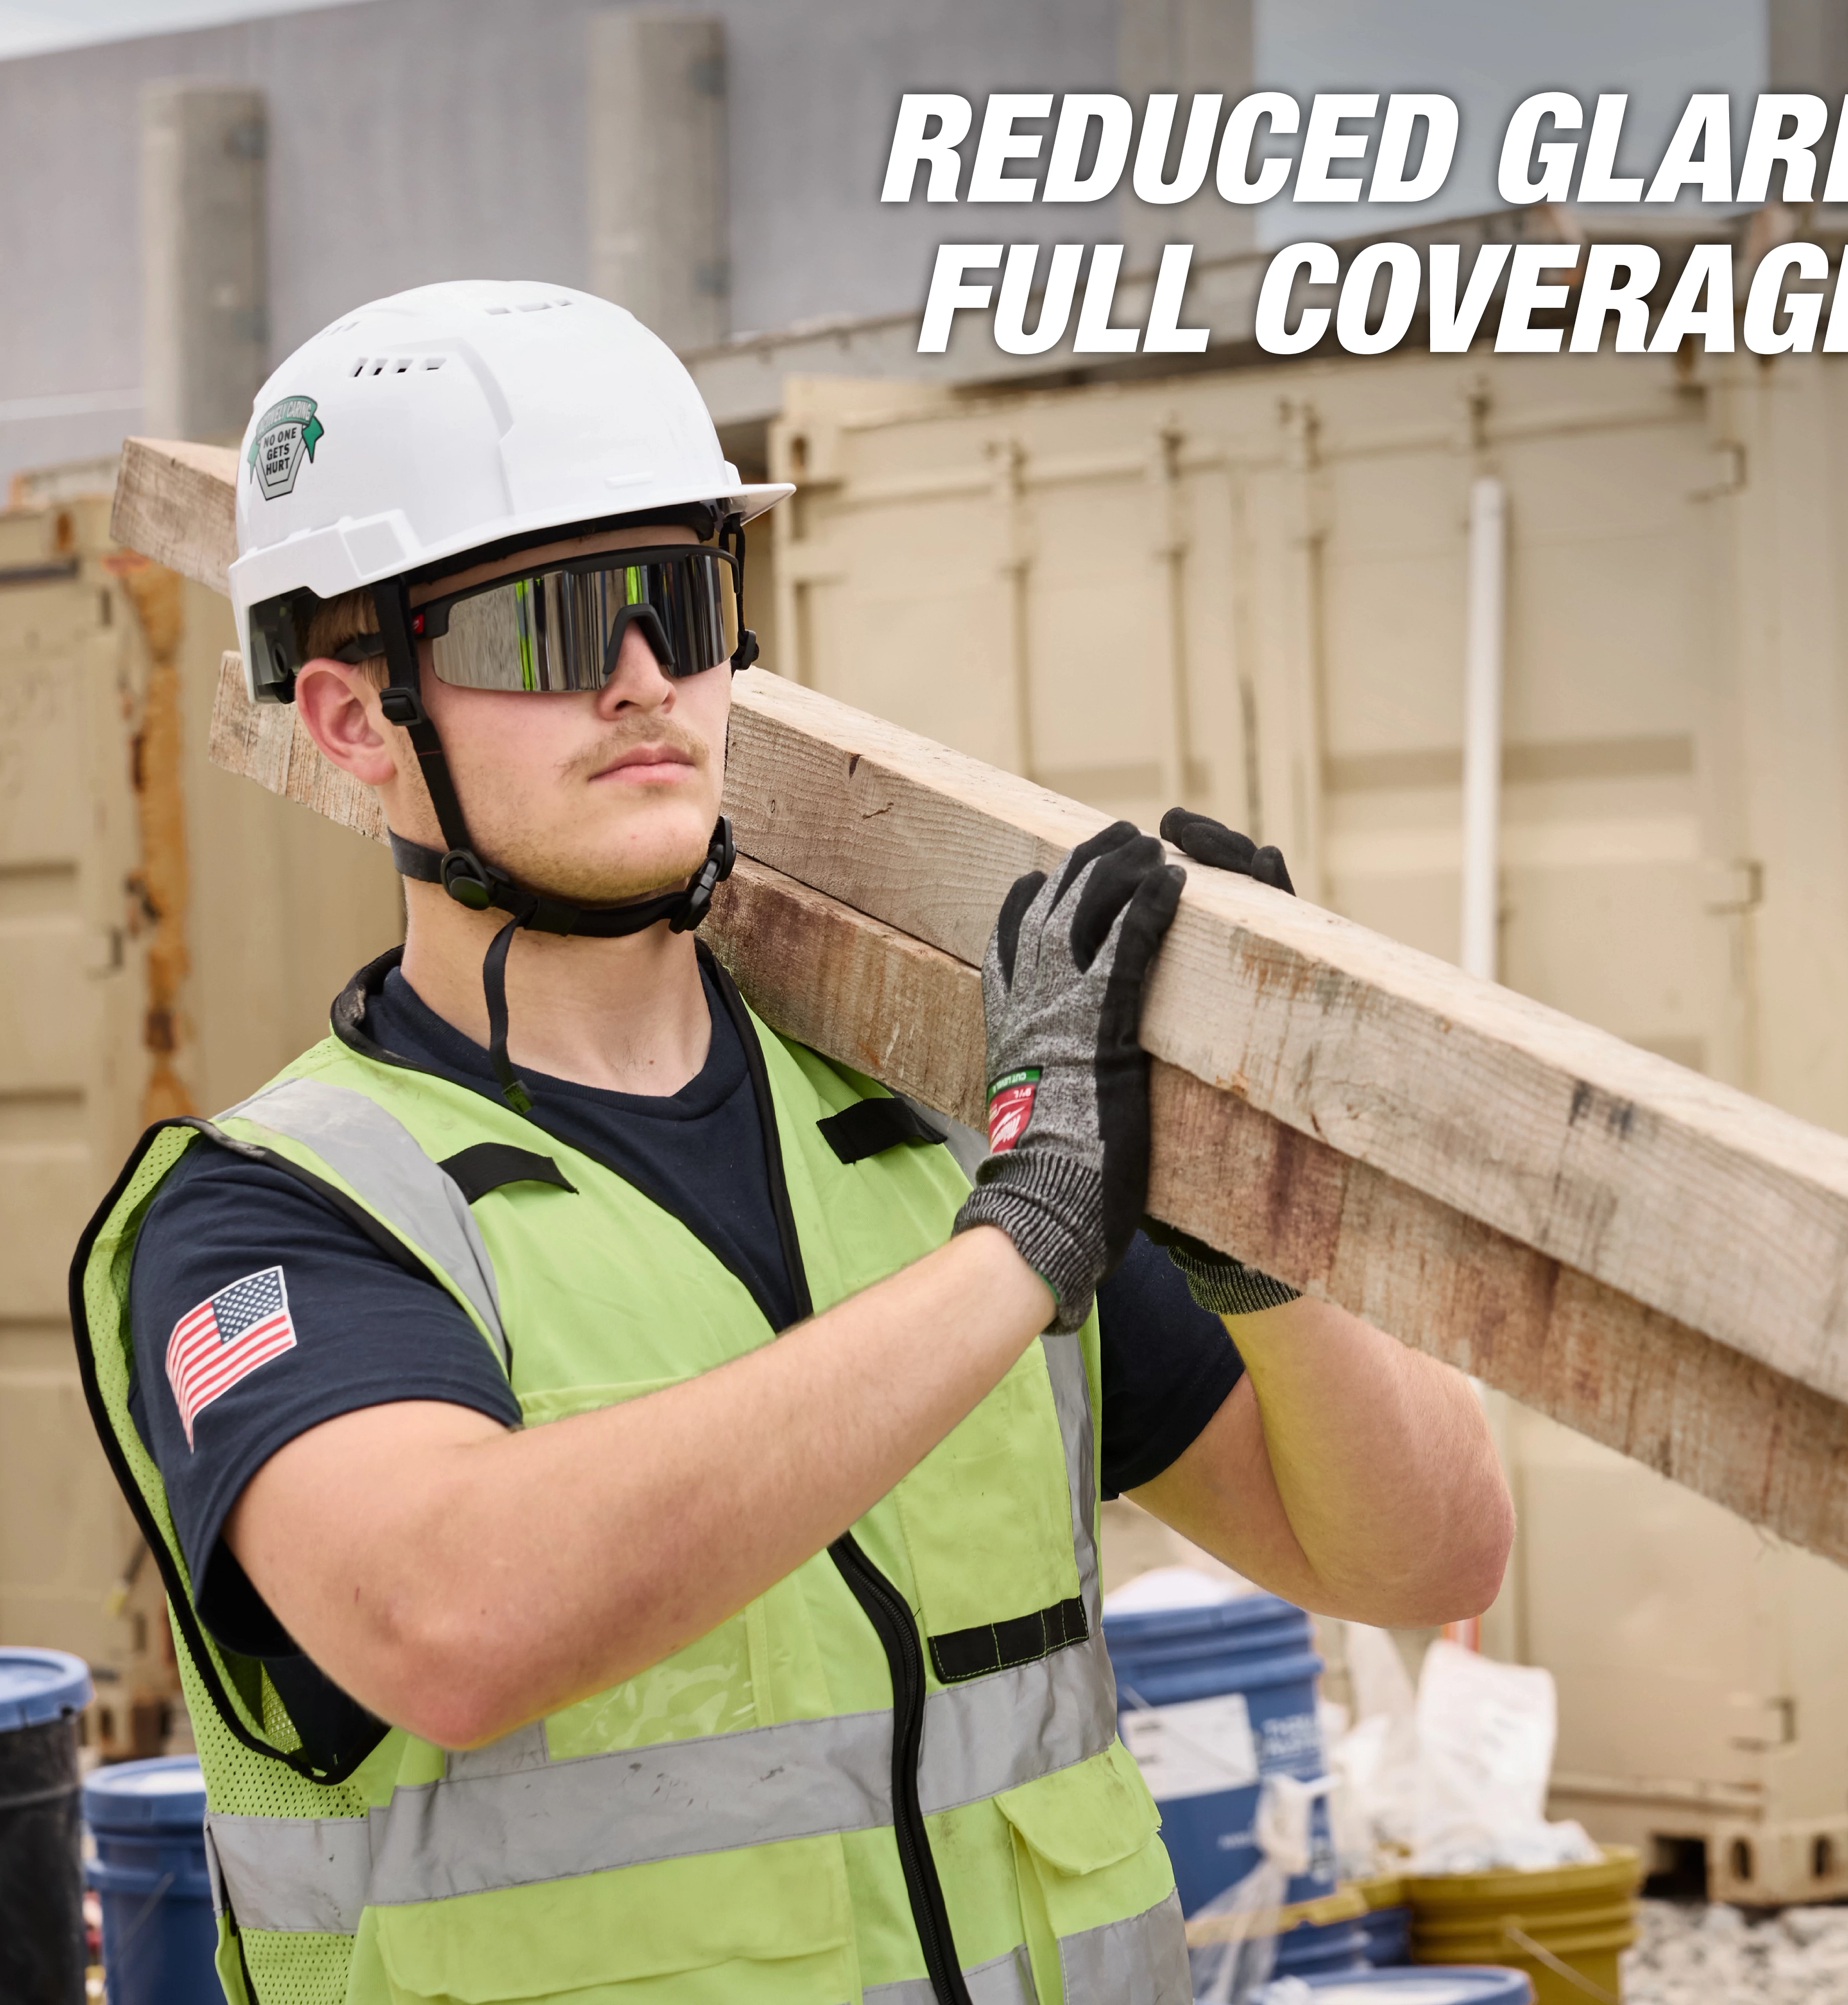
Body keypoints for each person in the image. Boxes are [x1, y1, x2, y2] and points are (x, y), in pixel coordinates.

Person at [74, 280, 1512, 2005]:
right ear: (354, 720)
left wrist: (1254, 1229)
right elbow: (452, 1625)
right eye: (543, 623)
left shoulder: (928, 1135)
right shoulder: (277, 1218)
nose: (637, 680)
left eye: (676, 603)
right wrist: (1028, 1242)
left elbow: (1415, 1562)